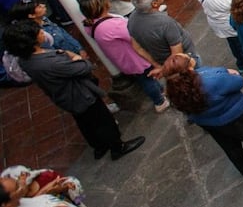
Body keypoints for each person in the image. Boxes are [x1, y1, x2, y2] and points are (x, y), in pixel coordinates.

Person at [2, 19, 144, 160]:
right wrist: (74, 56)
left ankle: (99, 146)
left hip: (64, 97)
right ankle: (117, 147)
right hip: (80, 94)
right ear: (31, 41)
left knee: (85, 123)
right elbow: (83, 67)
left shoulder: (26, 61)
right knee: (103, 120)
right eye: (39, 32)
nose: (42, 33)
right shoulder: (50, 62)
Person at [161, 53, 243, 181]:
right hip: (235, 116)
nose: (190, 55)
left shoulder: (173, 91)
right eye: (187, 57)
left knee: (230, 147)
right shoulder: (212, 80)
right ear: (188, 68)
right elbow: (238, 82)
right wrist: (228, 72)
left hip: (209, 123)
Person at [80, 0, 169, 111]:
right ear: (101, 6)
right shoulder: (111, 25)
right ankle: (159, 102)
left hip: (123, 60)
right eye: (104, 0)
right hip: (135, 58)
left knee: (145, 79)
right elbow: (133, 34)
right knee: (148, 79)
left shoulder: (90, 25)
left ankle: (160, 91)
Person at [127, 0, 199, 65]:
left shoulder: (132, 19)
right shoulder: (165, 23)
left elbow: (138, 48)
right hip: (186, 61)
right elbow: (177, 54)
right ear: (154, 4)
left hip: (163, 62)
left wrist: (158, 66)